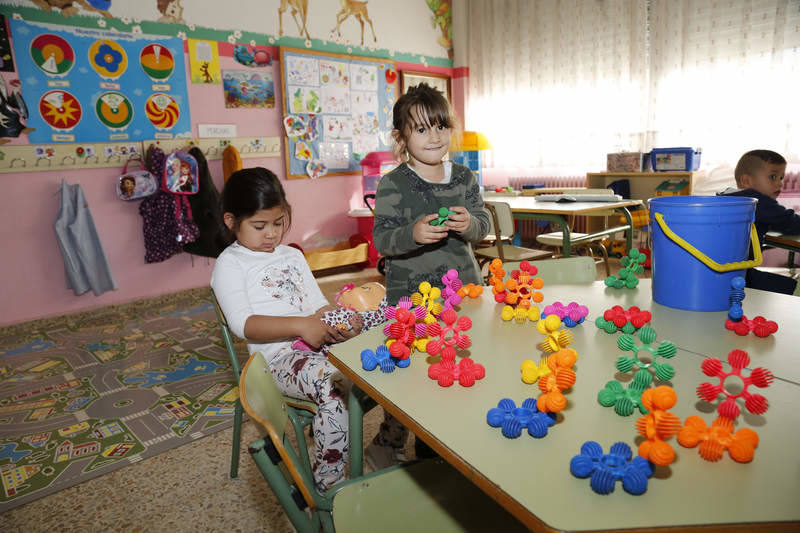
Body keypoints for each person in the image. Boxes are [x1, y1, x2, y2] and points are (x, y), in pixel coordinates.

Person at [210, 168, 407, 492]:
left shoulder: (291, 255)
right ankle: (328, 488)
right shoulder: (230, 263)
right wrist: (302, 326)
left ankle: (386, 444)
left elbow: (318, 305)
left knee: (393, 356)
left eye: (278, 223)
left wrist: (342, 321)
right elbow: (243, 325)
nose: (271, 234)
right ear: (231, 221)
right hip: (277, 360)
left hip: (319, 343)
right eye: (259, 226)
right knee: (335, 387)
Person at [373, 83, 491, 304]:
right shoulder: (392, 184)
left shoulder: (464, 177)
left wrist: (470, 224)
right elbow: (382, 240)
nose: (435, 137)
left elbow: (483, 225)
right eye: (422, 130)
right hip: (412, 297)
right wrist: (412, 234)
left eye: (441, 127)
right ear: (400, 137)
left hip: (464, 289)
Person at [720, 149, 800, 295]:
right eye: (773, 177)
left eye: (781, 178)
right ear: (746, 181)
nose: (780, 184)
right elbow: (790, 222)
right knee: (793, 288)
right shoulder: (756, 201)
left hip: (722, 269)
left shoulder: (726, 196)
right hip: (739, 274)